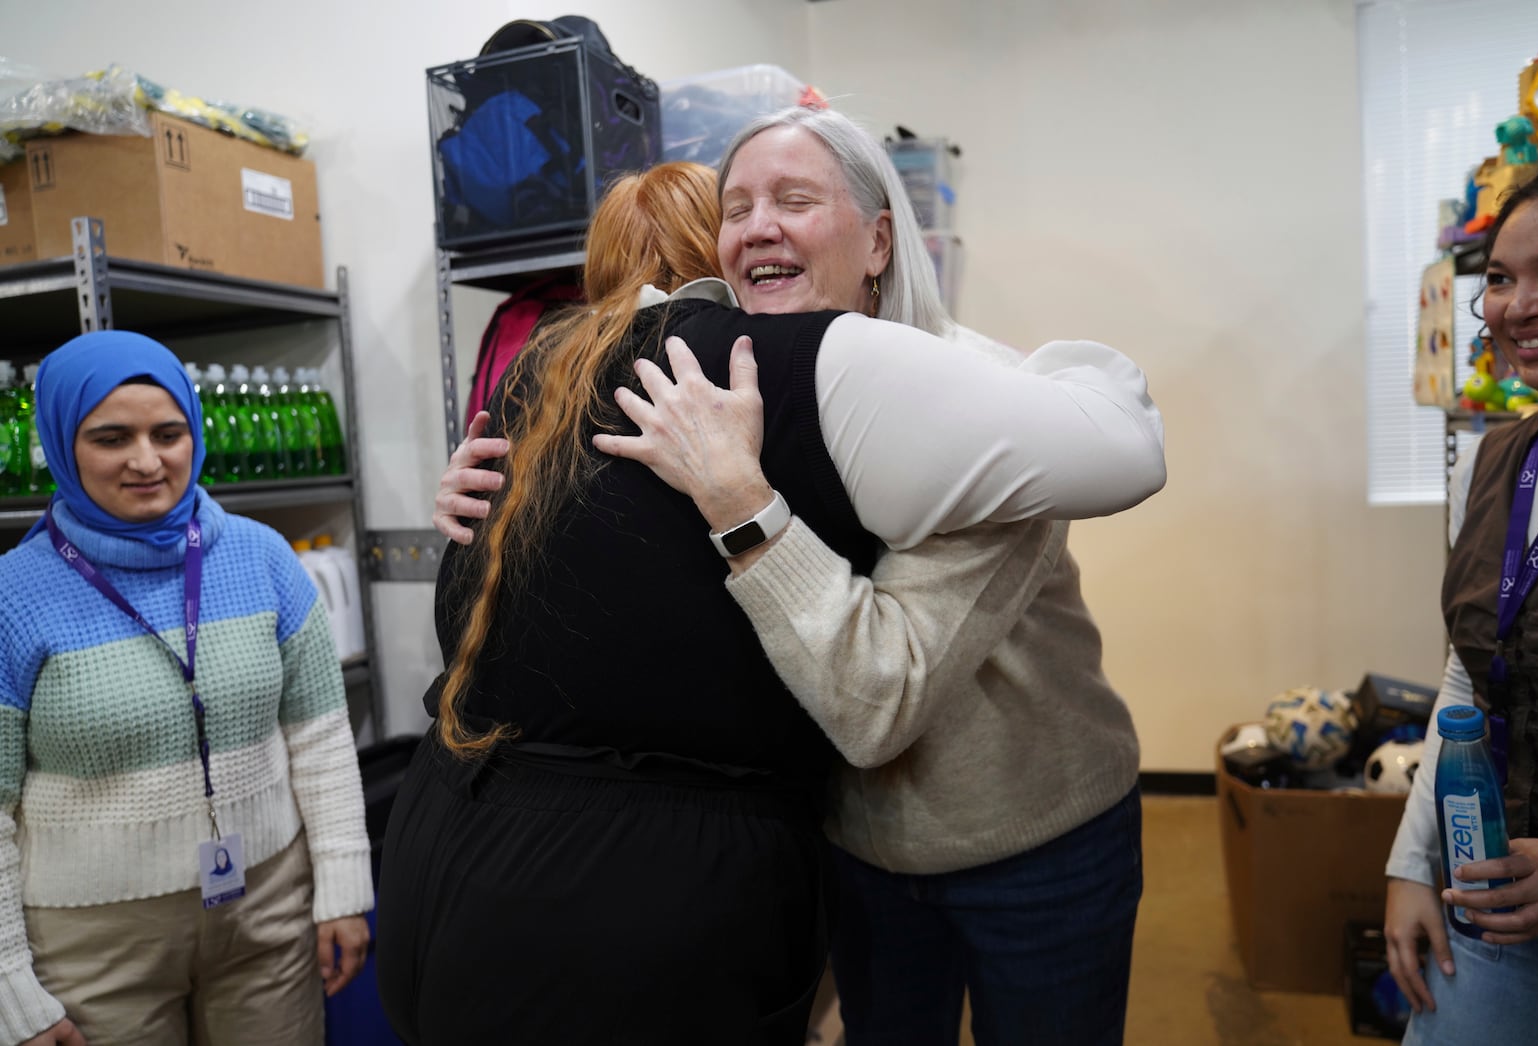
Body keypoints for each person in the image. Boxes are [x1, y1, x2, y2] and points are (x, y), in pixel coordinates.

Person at [386, 156, 1160, 1045]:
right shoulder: (723, 390)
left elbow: (880, 698)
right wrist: (491, 507)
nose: (759, 228)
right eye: (738, 207)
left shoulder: (965, 404)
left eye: (795, 202)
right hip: (861, 834)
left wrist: (741, 503)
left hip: (1027, 834)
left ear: (878, 240)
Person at [0, 331, 373, 1046]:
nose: (147, 461)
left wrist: (344, 890)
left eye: (168, 433)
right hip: (92, 951)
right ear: (59, 444)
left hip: (267, 916)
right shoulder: (14, 596)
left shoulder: (262, 558)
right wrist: (10, 986)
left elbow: (321, 740)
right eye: (112, 438)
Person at [1383, 151, 1538, 1045]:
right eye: (1503, 279)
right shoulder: (1488, 463)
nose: (1520, 306)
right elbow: (1469, 684)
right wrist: (1411, 864)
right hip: (1503, 910)